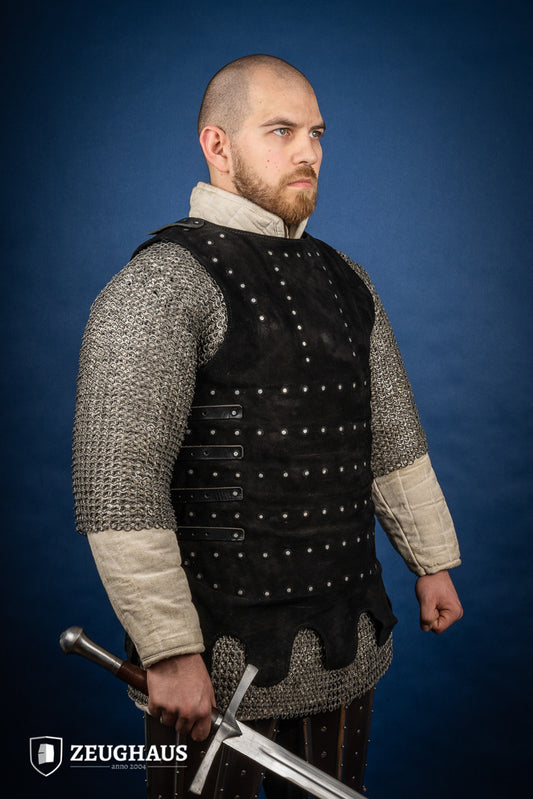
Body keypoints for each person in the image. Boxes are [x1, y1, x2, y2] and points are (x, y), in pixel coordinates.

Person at [72, 54, 463, 799]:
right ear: (216, 145)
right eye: (281, 131)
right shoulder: (161, 284)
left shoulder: (346, 279)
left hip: (344, 629)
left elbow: (389, 437)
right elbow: (121, 489)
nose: (308, 151)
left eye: (317, 134)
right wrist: (169, 650)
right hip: (217, 650)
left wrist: (431, 561)